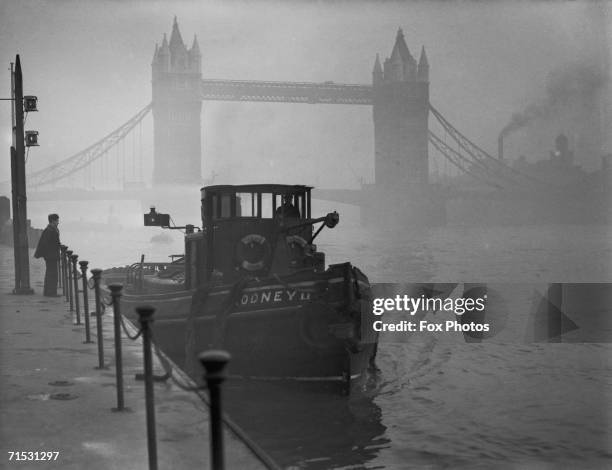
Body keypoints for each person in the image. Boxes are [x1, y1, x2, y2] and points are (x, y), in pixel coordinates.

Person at [34, 213, 61, 297]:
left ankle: (49, 292)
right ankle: (51, 293)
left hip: (51, 255)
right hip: (51, 256)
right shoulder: (49, 230)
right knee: (52, 274)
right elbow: (46, 244)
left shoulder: (51, 229)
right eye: (57, 220)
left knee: (51, 274)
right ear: (53, 221)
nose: (58, 222)